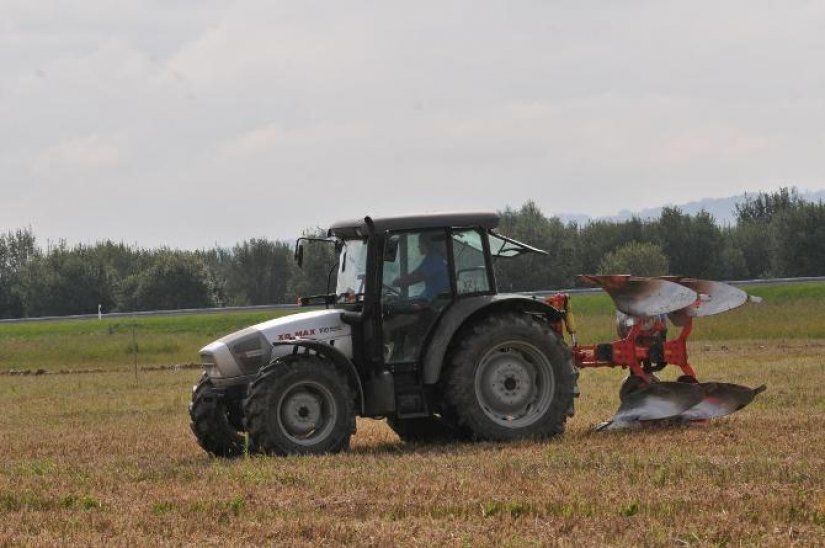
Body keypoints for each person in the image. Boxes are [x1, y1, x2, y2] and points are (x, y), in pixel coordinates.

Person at [392, 233, 450, 300]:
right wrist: (401, 279)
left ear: (427, 244)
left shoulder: (433, 259)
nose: (418, 246)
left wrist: (396, 282)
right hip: (433, 296)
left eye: (420, 243)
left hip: (436, 300)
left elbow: (414, 278)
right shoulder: (433, 257)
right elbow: (416, 273)